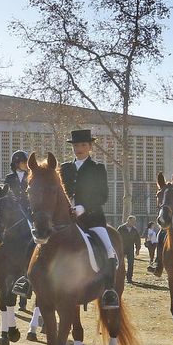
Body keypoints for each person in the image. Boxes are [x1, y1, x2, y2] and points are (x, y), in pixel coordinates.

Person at [60, 128, 119, 308]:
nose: (79, 149)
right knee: (41, 242)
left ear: (90, 147)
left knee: (108, 249)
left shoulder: (97, 168)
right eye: (76, 145)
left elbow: (103, 195)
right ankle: (28, 280)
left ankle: (109, 290)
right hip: (67, 218)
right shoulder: (64, 168)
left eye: (83, 145)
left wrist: (83, 207)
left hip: (92, 219)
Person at [118, 215, 140, 283]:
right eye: (132, 221)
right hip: (122, 248)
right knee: (120, 263)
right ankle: (120, 276)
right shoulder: (121, 228)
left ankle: (129, 278)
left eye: (134, 221)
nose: (134, 223)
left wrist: (137, 249)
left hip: (130, 248)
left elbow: (137, 240)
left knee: (131, 263)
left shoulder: (134, 230)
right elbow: (117, 237)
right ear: (128, 220)